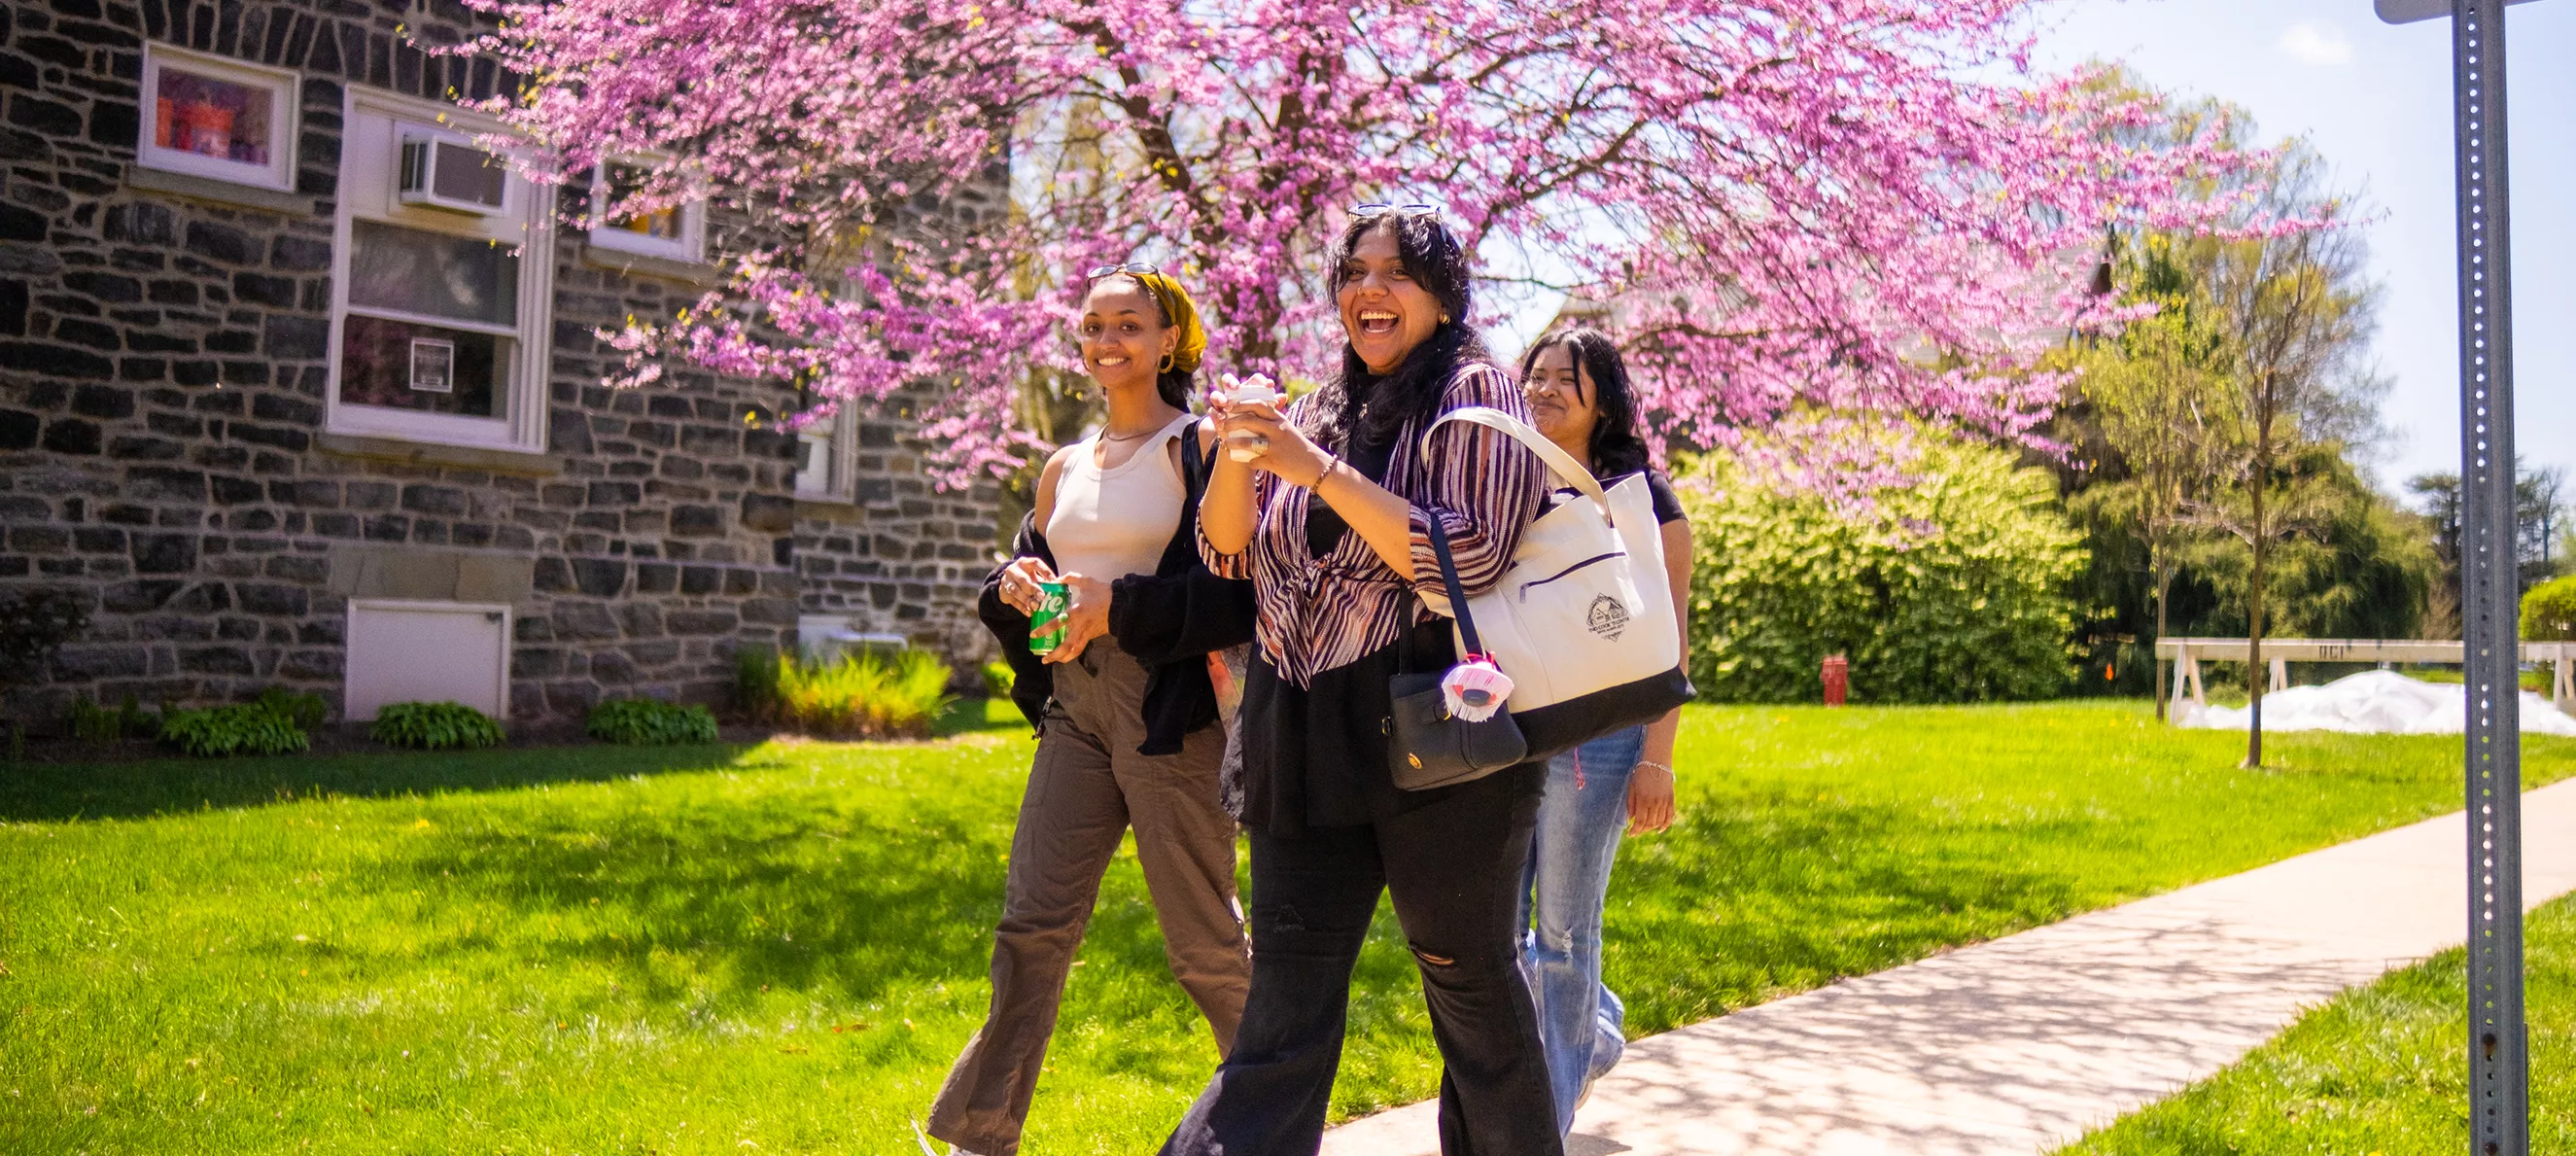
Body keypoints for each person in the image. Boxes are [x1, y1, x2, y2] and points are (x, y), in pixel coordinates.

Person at [1160, 205, 1560, 1156]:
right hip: (1301, 734)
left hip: (1439, 734)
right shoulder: (1312, 408)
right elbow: (1229, 557)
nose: (1367, 290)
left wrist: (1319, 471)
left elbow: (1467, 552)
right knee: (1282, 1010)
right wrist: (1238, 454)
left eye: (1396, 273)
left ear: (1441, 295)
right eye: (1351, 271)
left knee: (1466, 985)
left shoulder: (1478, 397)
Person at [927, 265, 1255, 1156]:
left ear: (1168, 340)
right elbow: (1031, 574)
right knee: (1032, 923)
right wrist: (1014, 584)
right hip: (1076, 707)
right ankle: (980, 1132)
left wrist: (1118, 601)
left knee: (1202, 941)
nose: (1109, 341)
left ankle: (1275, 1113)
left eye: (1130, 325)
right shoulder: (1064, 465)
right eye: (1094, 325)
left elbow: (1236, 596)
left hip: (1169, 711)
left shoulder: (1204, 449)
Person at [1513, 327, 1693, 1134]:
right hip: (1504, 735)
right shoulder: (1504, 479)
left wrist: (1659, 756)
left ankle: (1541, 1125)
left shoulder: (1643, 498)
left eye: (1567, 378)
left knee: (1561, 931)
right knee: (1498, 935)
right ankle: (1595, 1028)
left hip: (1600, 740)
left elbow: (1671, 640)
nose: (1546, 389)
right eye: (1537, 375)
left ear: (1604, 397)